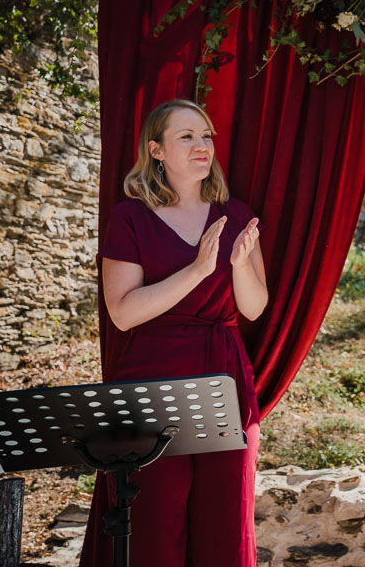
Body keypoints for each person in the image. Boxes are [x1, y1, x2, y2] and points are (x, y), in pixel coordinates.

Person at [80, 98, 267, 567]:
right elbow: (123, 313)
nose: (202, 145)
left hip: (224, 376)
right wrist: (199, 270)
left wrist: (239, 265)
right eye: (187, 136)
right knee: (153, 524)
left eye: (206, 136)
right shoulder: (131, 217)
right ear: (156, 150)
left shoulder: (237, 214)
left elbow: (254, 307)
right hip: (151, 379)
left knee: (224, 521)